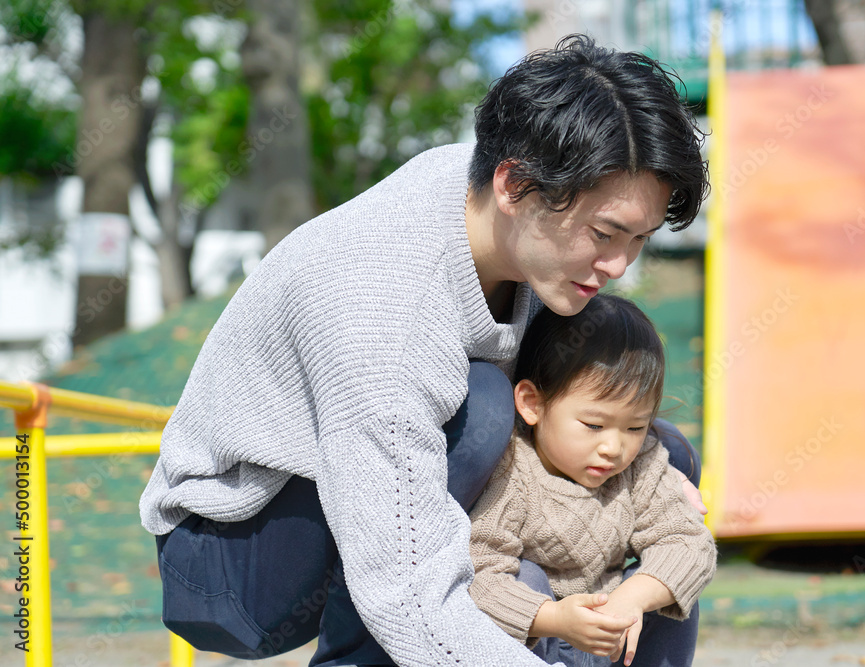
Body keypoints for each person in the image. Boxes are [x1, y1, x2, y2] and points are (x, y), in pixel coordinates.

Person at [139, 34, 709, 666]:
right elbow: (406, 594)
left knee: (661, 453)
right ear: (514, 185)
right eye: (604, 234)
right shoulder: (383, 306)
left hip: (382, 491)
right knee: (484, 410)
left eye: (639, 238)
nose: (618, 265)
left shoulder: (503, 202)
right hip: (234, 564)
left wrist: (650, 491)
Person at [468, 294, 716, 667]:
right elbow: (479, 570)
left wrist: (634, 596)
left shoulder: (640, 463)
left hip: (614, 636)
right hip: (544, 639)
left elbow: (689, 542)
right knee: (527, 576)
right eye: (594, 425)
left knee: (672, 589)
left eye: (635, 426)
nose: (614, 447)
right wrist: (553, 619)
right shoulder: (513, 471)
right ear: (532, 403)